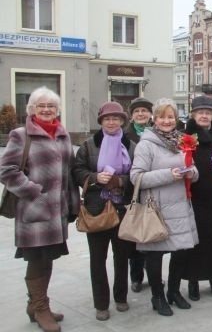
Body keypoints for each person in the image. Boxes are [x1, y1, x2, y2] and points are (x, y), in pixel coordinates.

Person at [0, 86, 79, 332]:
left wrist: (73, 203)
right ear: (31, 109)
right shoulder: (21, 135)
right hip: (33, 212)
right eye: (41, 106)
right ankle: (40, 307)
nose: (46, 110)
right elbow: (7, 171)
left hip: (58, 212)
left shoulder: (63, 135)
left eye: (51, 106)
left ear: (58, 110)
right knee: (36, 259)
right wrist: (33, 191)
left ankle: (35, 304)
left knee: (48, 259)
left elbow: (69, 174)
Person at [130, 98, 200, 316]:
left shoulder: (182, 141)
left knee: (181, 252)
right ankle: (157, 296)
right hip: (156, 208)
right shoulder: (146, 144)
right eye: (162, 117)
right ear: (154, 119)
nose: (166, 121)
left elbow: (193, 170)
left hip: (180, 206)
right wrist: (169, 175)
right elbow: (136, 177)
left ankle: (174, 291)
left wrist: (192, 173)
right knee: (155, 255)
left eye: (170, 117)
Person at [72, 101, 136, 321]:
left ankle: (121, 297)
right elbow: (77, 170)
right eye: (107, 118)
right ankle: (101, 303)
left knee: (122, 257)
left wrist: (121, 180)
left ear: (122, 121)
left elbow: (137, 174)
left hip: (122, 209)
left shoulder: (130, 145)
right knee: (97, 259)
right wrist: (93, 178)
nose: (111, 122)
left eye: (116, 118)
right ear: (101, 121)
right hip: (97, 208)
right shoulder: (89, 145)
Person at [183, 96, 212, 301]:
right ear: (193, 114)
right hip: (193, 194)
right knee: (194, 240)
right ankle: (193, 280)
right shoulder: (185, 136)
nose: (204, 115)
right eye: (200, 112)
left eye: (208, 112)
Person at [124, 97, 153, 293]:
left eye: (144, 110)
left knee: (151, 233)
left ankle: (153, 274)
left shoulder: (156, 133)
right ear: (131, 115)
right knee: (136, 236)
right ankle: (136, 277)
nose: (141, 114)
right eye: (137, 111)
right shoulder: (125, 135)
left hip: (152, 188)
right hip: (132, 189)